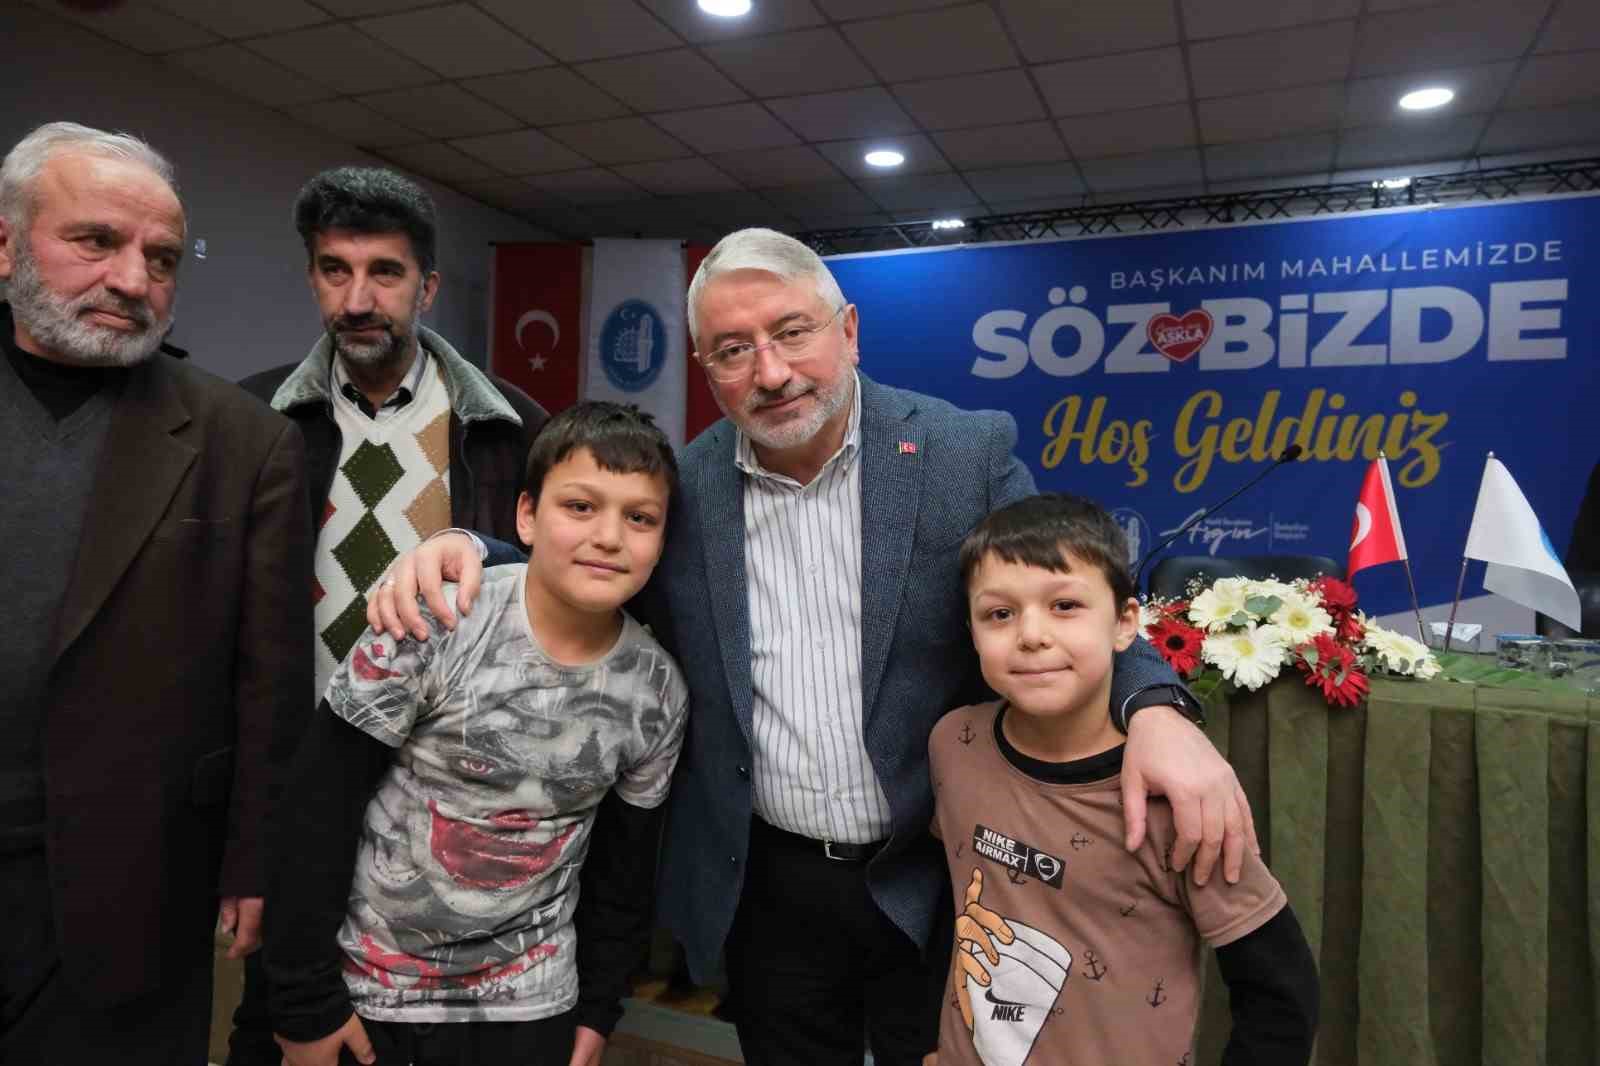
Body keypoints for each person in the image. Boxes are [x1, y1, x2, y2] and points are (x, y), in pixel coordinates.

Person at [368, 228, 1258, 1065]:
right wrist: (474, 550)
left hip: (940, 872)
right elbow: (596, 558)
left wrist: (1156, 706)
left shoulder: (962, 452)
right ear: (707, 369)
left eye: (793, 332)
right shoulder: (689, 484)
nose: (772, 372)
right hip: (767, 885)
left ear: (850, 330)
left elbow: (1067, 589)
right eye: (732, 350)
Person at [0, 122, 312, 1063]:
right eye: (96, 241)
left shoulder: (244, 442)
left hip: (133, 881)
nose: (134, 281)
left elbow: (271, 681)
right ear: (7, 246)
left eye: (163, 258)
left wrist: (256, 858)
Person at [228, 166, 548, 1064]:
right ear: (312, 278)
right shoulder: (253, 420)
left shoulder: (512, 427)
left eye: (386, 273)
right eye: (335, 270)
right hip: (299, 790)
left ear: (428, 286)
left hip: (445, 803)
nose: (358, 299)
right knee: (283, 1022)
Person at [265, 402, 689, 1066]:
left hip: (532, 1006)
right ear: (526, 516)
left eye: (640, 518)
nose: (609, 536)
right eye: (580, 506)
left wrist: (598, 1010)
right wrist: (302, 1002)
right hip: (373, 994)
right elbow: (316, 810)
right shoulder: (432, 621)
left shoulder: (657, 692)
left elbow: (623, 874)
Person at [930, 493, 1318, 1066]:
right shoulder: (953, 744)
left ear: (1125, 624)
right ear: (972, 630)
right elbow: (956, 894)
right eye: (1000, 614)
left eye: (1065, 606)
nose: (1031, 634)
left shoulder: (1176, 796)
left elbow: (1282, 994)